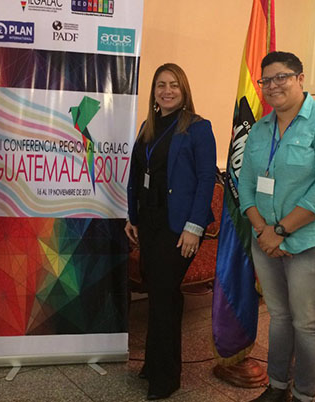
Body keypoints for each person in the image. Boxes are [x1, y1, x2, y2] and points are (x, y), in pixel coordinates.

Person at [238, 51, 315, 402]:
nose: (273, 86)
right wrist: (261, 229)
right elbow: (245, 183)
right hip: (266, 239)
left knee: (306, 323)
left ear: (300, 79)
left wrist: (281, 231)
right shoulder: (260, 129)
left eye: (282, 77)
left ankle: (305, 395)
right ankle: (277, 387)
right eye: (266, 80)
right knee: (278, 317)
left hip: (313, 241)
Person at [125, 63, 217, 400]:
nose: (167, 90)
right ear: (154, 92)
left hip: (179, 228)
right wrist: (131, 216)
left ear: (184, 90)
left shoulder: (197, 128)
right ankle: (153, 365)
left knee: (165, 296)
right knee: (159, 294)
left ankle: (167, 378)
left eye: (174, 85)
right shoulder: (147, 127)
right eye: (161, 85)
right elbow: (137, 175)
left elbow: (207, 178)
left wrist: (194, 227)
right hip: (149, 224)